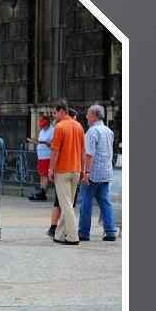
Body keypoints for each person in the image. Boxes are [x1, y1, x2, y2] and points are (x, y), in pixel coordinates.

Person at [48, 100, 85, 245]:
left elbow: (55, 151)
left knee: (66, 205)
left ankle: (73, 236)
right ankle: (59, 234)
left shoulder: (60, 127)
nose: (54, 115)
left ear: (62, 111)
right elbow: (83, 150)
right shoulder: (79, 126)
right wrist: (83, 169)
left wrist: (51, 168)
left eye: (55, 112)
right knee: (68, 203)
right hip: (76, 169)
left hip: (62, 170)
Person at [78, 104, 117, 241]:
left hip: (93, 174)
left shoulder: (92, 132)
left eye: (88, 114)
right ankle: (110, 231)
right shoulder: (108, 131)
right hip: (106, 172)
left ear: (94, 115)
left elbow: (89, 154)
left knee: (86, 202)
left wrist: (86, 172)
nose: (86, 116)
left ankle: (83, 232)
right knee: (105, 202)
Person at [28, 115, 54, 201]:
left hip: (47, 156)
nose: (43, 127)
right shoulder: (42, 131)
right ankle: (41, 191)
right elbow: (40, 141)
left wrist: (45, 143)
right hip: (41, 156)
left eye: (44, 125)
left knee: (45, 175)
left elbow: (53, 144)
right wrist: (35, 141)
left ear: (48, 123)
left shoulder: (52, 130)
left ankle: (43, 192)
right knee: (42, 175)